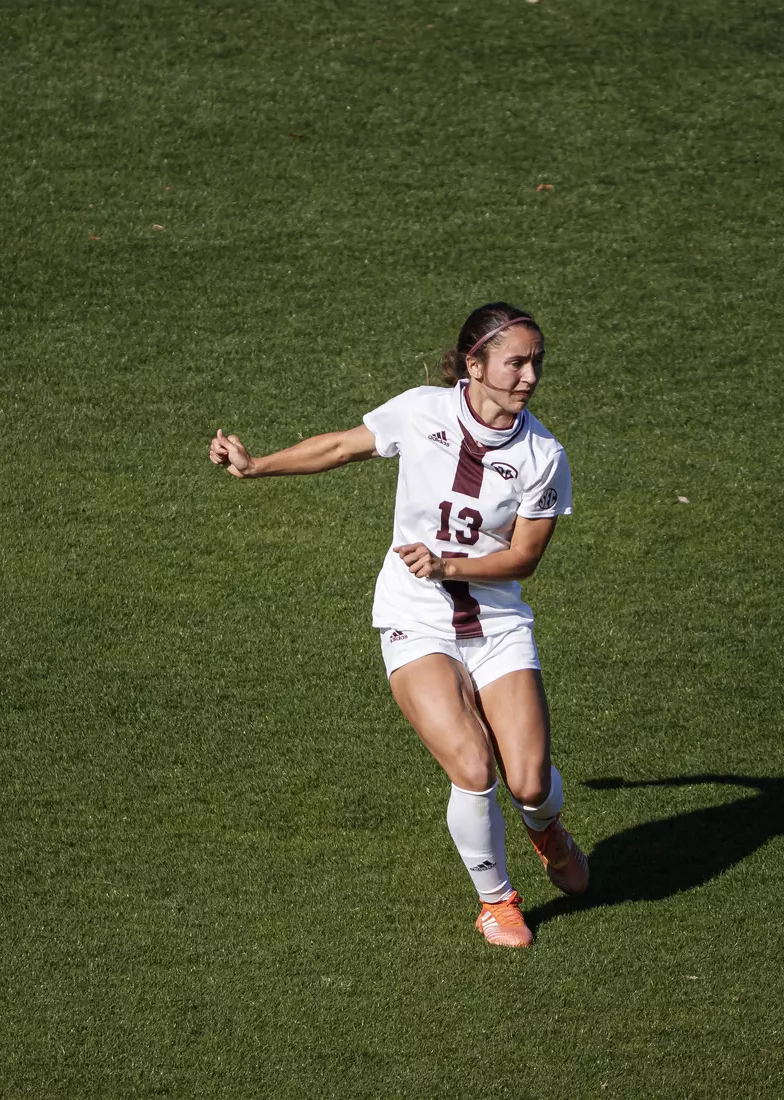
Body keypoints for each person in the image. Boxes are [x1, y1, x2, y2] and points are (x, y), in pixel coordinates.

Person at [208, 302, 588, 948]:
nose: (529, 376)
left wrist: (448, 565)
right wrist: (256, 465)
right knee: (473, 766)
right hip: (415, 617)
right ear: (474, 365)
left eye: (536, 363)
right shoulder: (421, 410)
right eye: (515, 363)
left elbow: (524, 557)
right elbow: (340, 446)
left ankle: (544, 827)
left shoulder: (542, 455)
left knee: (528, 782)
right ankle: (496, 902)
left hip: (496, 624)